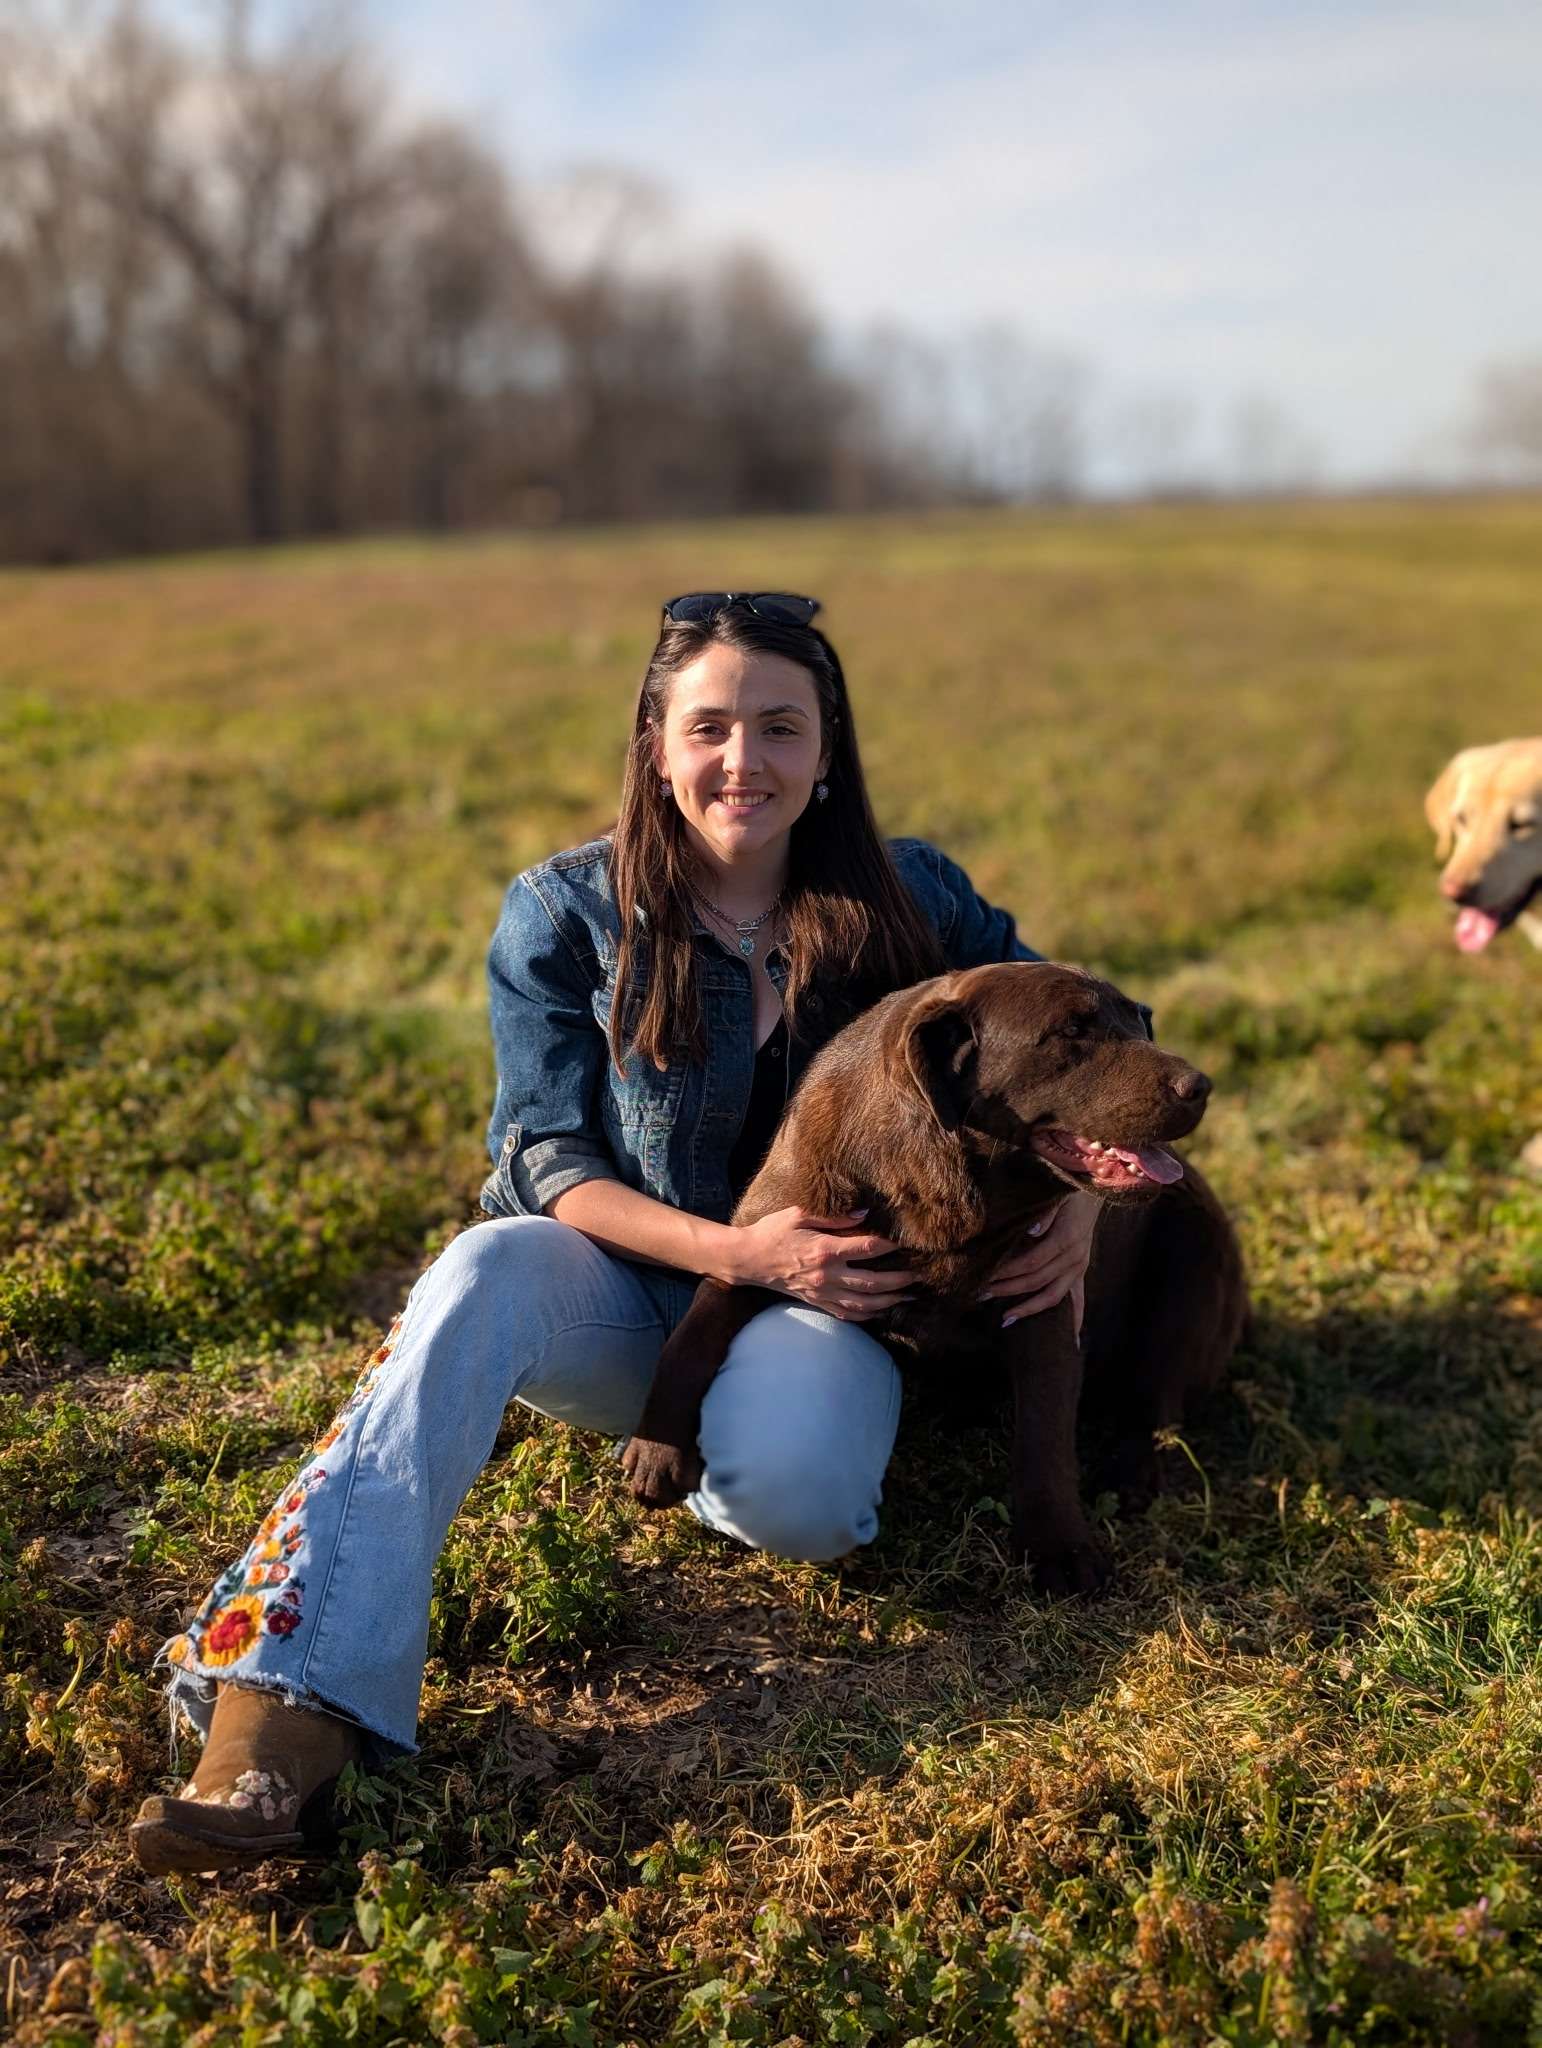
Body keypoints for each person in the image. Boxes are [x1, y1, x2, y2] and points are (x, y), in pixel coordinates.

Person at [130, 591, 1099, 1875]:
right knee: (477, 1270)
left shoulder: (911, 894)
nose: (742, 760)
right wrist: (735, 1253)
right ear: (655, 743)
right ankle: (276, 1718)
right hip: (619, 1281)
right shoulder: (565, 910)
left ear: (827, 749)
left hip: (821, 1307)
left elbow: (1087, 1042)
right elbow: (544, 1160)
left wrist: (1079, 1200)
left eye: (779, 726)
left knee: (805, 1500)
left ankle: (747, 1435)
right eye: (708, 727)